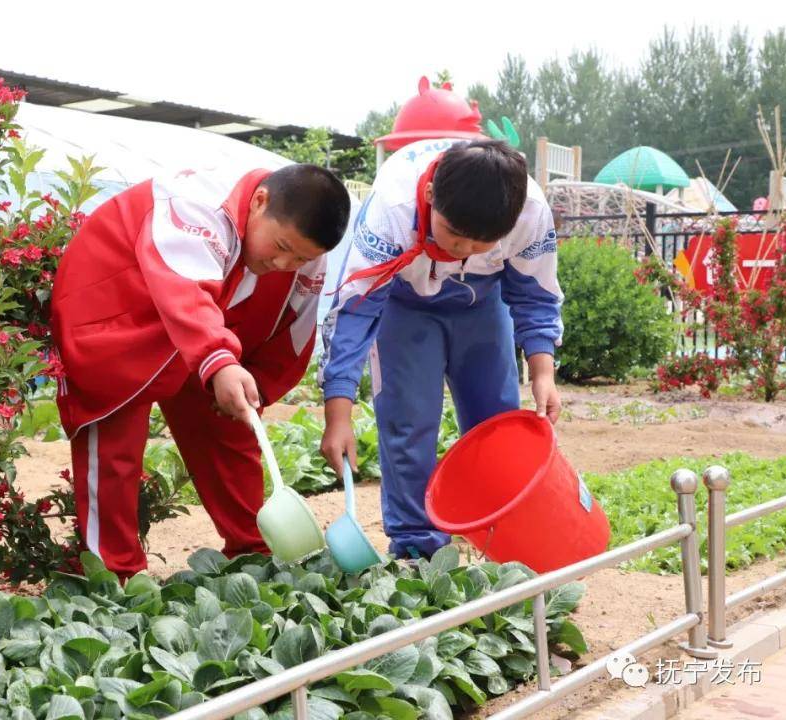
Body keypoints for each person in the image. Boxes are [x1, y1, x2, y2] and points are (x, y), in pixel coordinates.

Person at [51, 163, 351, 577]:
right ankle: (113, 578)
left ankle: (254, 554)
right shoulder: (195, 203)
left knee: (231, 421)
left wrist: (255, 386)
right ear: (259, 202)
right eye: (281, 246)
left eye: (300, 257)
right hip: (117, 307)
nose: (285, 262)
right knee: (115, 438)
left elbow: (294, 333)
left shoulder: (304, 254)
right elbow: (184, 292)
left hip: (207, 321)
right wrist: (219, 359)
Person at [319, 138, 563, 560]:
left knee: (498, 421)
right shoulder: (392, 209)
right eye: (454, 234)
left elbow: (534, 294)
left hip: (482, 302)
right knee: (408, 423)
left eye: (482, 242)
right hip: (402, 304)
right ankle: (418, 549)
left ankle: (499, 536)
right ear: (430, 197)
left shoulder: (529, 210)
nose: (463, 250)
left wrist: (543, 373)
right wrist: (336, 414)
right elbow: (355, 312)